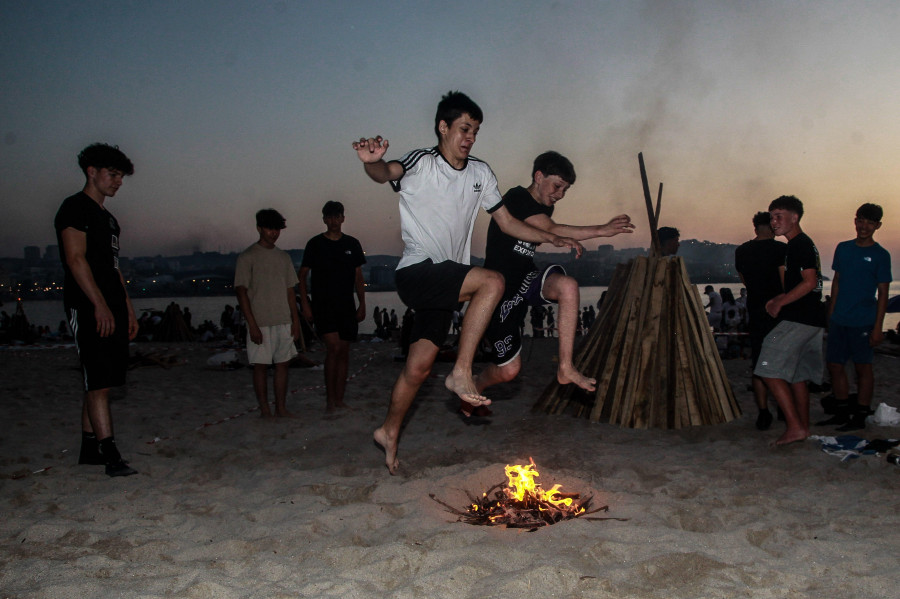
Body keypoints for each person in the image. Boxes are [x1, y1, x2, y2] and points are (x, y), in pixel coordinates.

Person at [353, 91, 583, 474]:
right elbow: (387, 172)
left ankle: (388, 431)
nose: (469, 137)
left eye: (475, 130)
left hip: (448, 284)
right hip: (418, 271)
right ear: (443, 127)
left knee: (418, 368)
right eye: (463, 128)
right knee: (492, 280)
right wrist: (371, 164)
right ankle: (461, 371)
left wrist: (553, 238)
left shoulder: (480, 173)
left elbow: (508, 222)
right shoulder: (422, 163)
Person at [472, 151, 634, 416]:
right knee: (508, 371)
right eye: (558, 186)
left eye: (566, 189)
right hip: (499, 288)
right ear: (538, 177)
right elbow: (552, 230)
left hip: (525, 278)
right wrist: (601, 230)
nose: (560, 194)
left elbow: (549, 227)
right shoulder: (516, 198)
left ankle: (566, 367)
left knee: (568, 286)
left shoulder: (545, 205)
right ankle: (476, 383)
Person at [54, 143, 138, 477]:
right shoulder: (74, 208)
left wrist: (128, 309)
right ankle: (110, 454)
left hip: (112, 302)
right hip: (86, 301)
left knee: (104, 379)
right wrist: (98, 304)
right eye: (113, 174)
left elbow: (115, 269)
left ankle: (89, 447)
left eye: (121, 176)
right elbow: (75, 259)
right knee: (97, 377)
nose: (118, 182)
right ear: (92, 172)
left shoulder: (110, 219)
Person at [753, 195, 825, 445]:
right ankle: (803, 427)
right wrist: (779, 298)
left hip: (799, 319)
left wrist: (781, 302)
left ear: (795, 217)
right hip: (813, 320)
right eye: (771, 217)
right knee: (797, 376)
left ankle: (795, 427)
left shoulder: (799, 245)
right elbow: (805, 284)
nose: (773, 222)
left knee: (767, 367)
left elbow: (810, 282)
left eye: (779, 216)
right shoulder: (799, 245)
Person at [822, 203, 892, 430]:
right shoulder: (843, 248)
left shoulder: (881, 255)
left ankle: (860, 414)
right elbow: (837, 282)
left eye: (870, 223)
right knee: (834, 365)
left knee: (863, 368)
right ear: (855, 221)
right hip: (840, 318)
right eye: (861, 220)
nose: (864, 226)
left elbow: (883, 293)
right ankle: (842, 411)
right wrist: (831, 313)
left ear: (878, 225)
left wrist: (878, 327)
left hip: (864, 320)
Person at [299, 201, 367, 412]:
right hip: (323, 304)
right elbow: (302, 276)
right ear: (324, 219)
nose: (334, 221)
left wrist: (362, 303)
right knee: (334, 348)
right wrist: (306, 305)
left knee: (344, 351)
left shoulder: (352, 244)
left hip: (346, 304)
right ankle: (330, 401)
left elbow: (358, 276)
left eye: (337, 216)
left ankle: (339, 399)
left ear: (343, 218)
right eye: (330, 217)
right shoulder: (315, 244)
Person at [234, 209, 301, 418]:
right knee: (260, 367)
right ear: (259, 228)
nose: (274, 233)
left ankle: (281, 407)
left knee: (283, 366)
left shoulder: (283, 257)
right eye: (270, 228)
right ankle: (265, 409)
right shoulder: (248, 257)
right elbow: (241, 292)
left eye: (277, 229)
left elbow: (291, 291)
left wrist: (295, 320)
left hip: (283, 319)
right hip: (260, 321)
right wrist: (251, 324)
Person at [735, 211, 787, 430]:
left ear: (755, 226)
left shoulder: (742, 251)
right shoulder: (781, 249)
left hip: (755, 309)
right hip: (778, 311)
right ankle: (784, 408)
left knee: (759, 363)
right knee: (782, 362)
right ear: (772, 226)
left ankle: (763, 411)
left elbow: (744, 280)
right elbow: (785, 281)